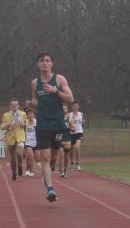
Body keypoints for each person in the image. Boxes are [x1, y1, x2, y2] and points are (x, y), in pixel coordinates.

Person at [31, 53, 74, 202]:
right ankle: (50, 189)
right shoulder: (35, 83)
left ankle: (49, 171)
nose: (45, 63)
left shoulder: (60, 79)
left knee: (54, 156)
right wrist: (32, 103)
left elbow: (71, 98)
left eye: (47, 61)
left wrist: (55, 91)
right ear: (38, 64)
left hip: (58, 125)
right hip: (42, 125)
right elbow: (35, 99)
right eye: (42, 61)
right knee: (44, 156)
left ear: (52, 64)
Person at [0, 99, 27, 180]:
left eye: (16, 105)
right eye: (12, 105)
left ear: (18, 106)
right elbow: (1, 127)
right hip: (10, 138)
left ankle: (20, 165)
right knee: (12, 158)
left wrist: (24, 124)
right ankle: (14, 173)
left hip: (20, 137)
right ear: (10, 106)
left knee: (19, 154)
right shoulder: (6, 115)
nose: (14, 106)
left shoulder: (23, 114)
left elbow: (27, 124)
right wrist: (8, 124)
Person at [67, 101, 86, 171]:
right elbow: (66, 123)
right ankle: (72, 163)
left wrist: (83, 122)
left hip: (79, 133)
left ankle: (77, 163)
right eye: (74, 106)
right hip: (71, 133)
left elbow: (82, 122)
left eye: (76, 106)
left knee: (77, 147)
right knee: (71, 150)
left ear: (78, 107)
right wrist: (70, 126)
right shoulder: (69, 115)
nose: (75, 107)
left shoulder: (81, 114)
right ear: (72, 107)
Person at [23, 111, 37, 177]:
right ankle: (31, 171)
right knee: (31, 156)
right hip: (28, 142)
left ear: (33, 115)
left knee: (36, 158)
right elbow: (22, 129)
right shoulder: (25, 122)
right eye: (29, 114)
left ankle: (27, 169)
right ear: (27, 115)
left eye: (32, 113)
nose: (31, 115)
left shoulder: (36, 122)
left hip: (36, 141)